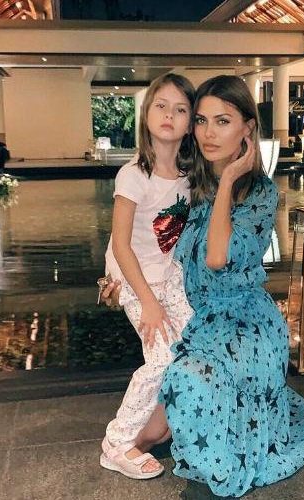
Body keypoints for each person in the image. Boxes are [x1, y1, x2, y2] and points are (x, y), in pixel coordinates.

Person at [154, 75, 304, 497]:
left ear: (247, 128)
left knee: (190, 379)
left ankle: (221, 467)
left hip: (247, 324)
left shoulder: (260, 194)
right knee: (170, 400)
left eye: (223, 121)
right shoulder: (188, 184)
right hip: (202, 320)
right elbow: (145, 232)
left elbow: (217, 257)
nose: (208, 133)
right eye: (201, 120)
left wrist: (228, 180)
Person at [99, 73, 196, 480]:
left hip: (169, 276)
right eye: (161, 105)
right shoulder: (133, 174)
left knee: (194, 343)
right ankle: (117, 442)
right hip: (135, 279)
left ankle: (167, 420)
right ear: (146, 114)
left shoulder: (190, 176)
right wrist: (149, 302)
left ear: (190, 122)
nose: (169, 115)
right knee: (161, 358)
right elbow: (121, 245)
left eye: (180, 109)